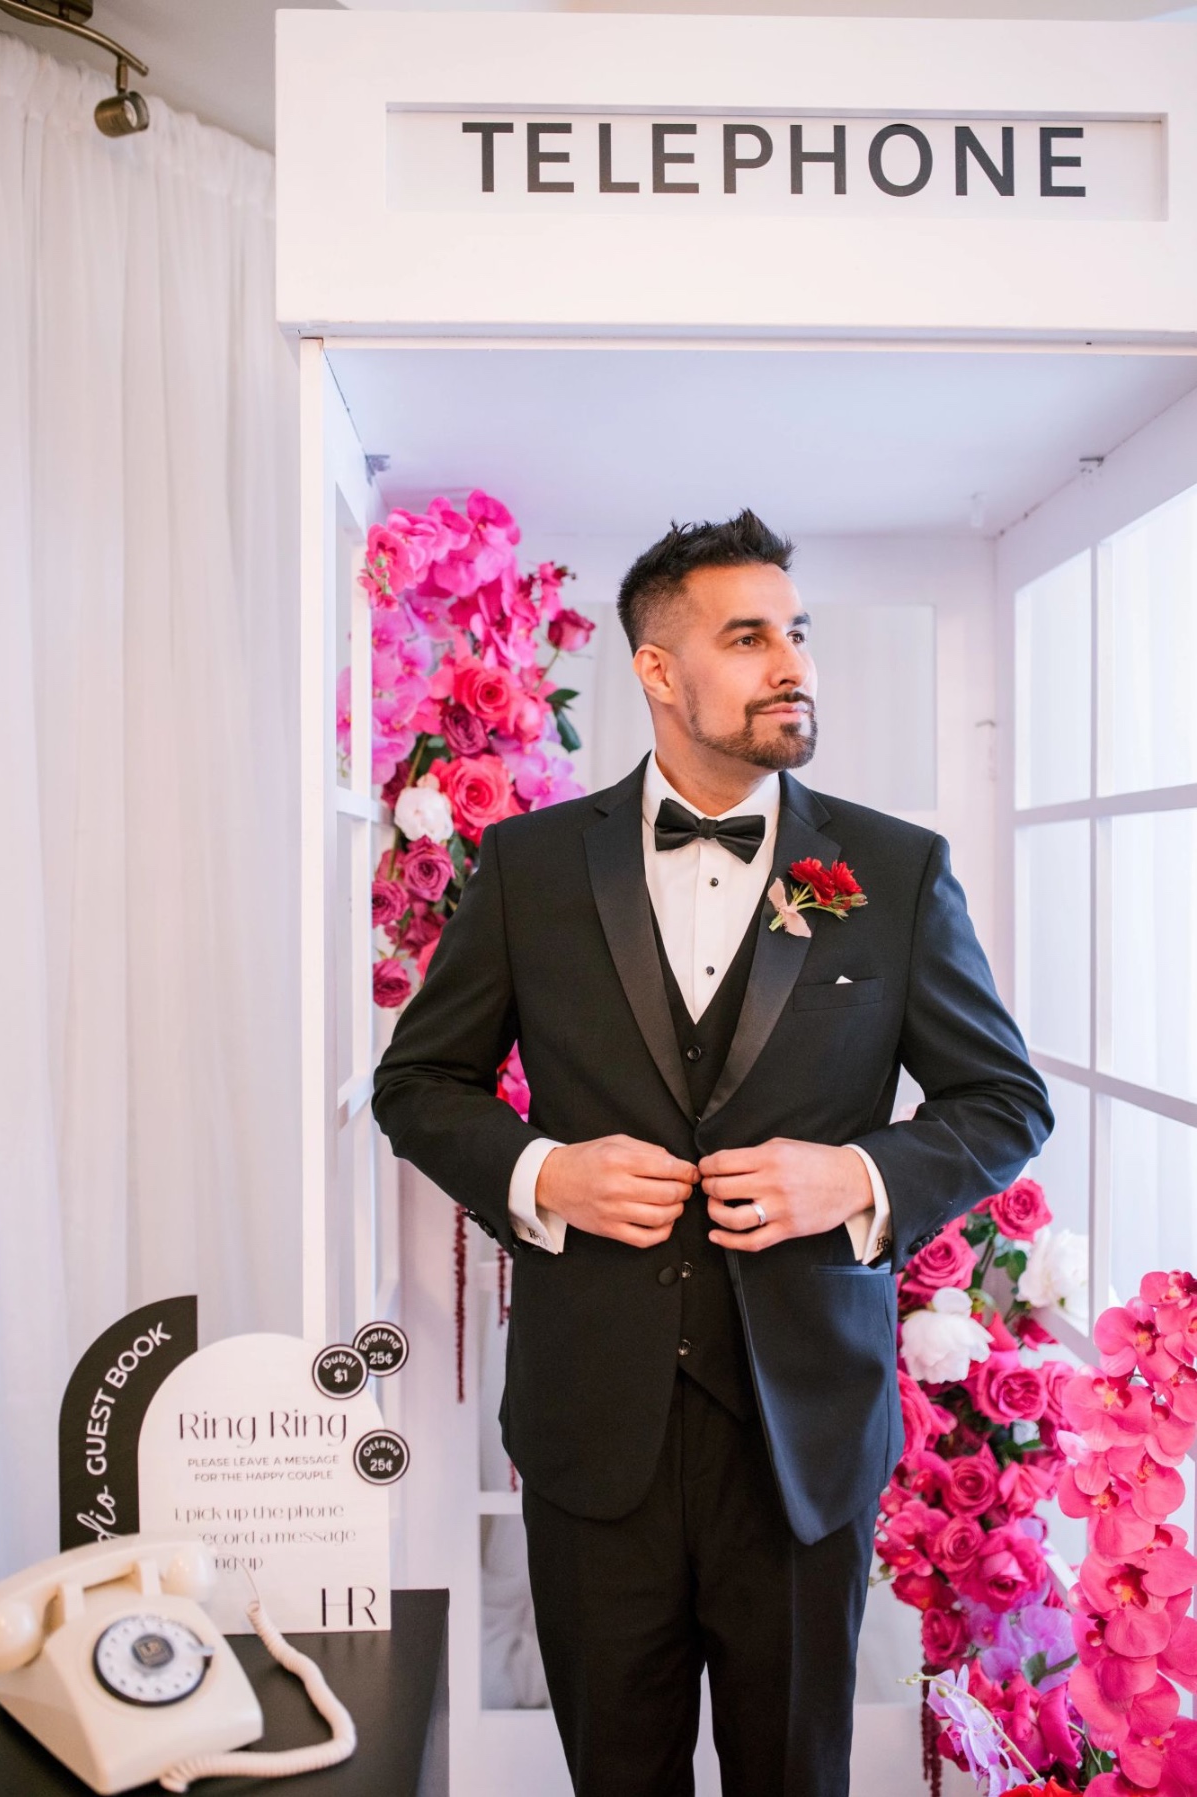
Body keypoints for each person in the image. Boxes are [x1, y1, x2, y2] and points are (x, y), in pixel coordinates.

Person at [371, 510, 1053, 1797]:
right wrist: (542, 1176)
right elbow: (420, 1085)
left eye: (796, 633)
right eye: (749, 637)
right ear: (657, 671)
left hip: (803, 1436)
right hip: (594, 1433)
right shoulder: (528, 868)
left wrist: (853, 1179)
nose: (792, 662)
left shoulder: (888, 871)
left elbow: (1001, 1100)